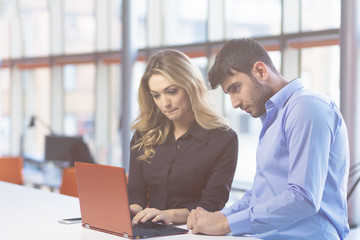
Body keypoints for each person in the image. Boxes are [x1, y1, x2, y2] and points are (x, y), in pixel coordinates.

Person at [187, 38, 350, 239]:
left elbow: (304, 198)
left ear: (261, 71)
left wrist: (226, 224)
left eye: (236, 88)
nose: (235, 103)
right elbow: (259, 195)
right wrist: (218, 216)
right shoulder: (273, 118)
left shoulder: (306, 107)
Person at [128, 49, 238, 226]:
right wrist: (136, 210)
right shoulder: (143, 134)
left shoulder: (224, 139)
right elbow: (135, 189)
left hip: (191, 231)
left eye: (171, 91)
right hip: (149, 228)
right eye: (156, 95)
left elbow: (212, 202)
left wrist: (169, 215)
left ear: (191, 87)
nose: (165, 103)